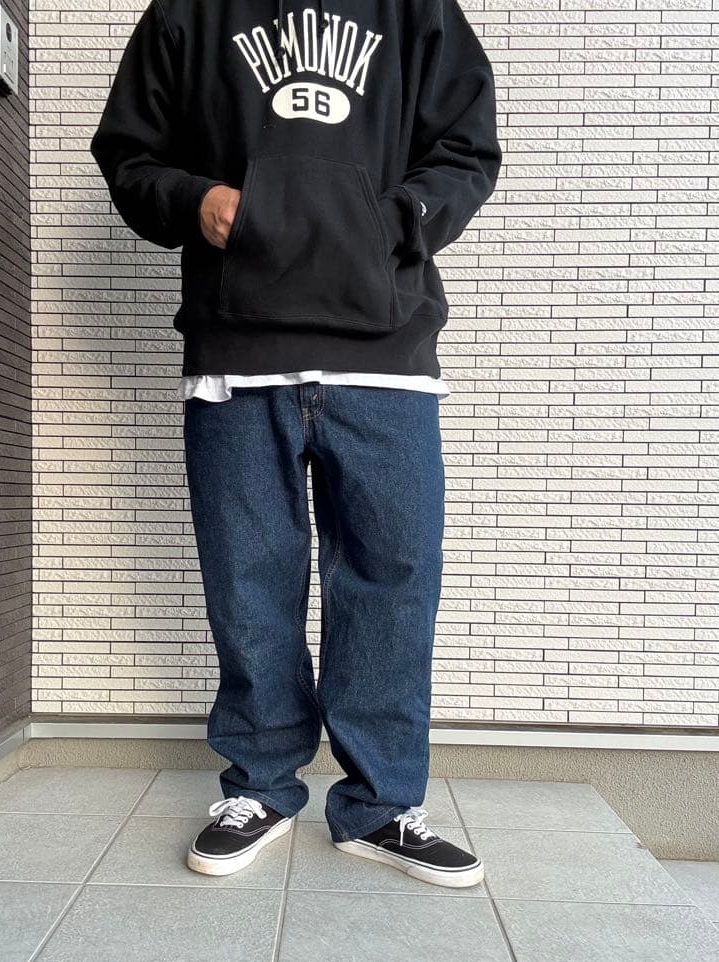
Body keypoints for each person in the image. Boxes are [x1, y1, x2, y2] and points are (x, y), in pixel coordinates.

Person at [90, 0, 501, 888]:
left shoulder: (417, 9)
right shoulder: (187, 13)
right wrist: (195, 200)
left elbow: (466, 150)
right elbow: (128, 153)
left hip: (385, 356)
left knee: (392, 583)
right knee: (249, 580)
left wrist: (396, 220)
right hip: (238, 353)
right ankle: (260, 787)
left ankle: (381, 807)